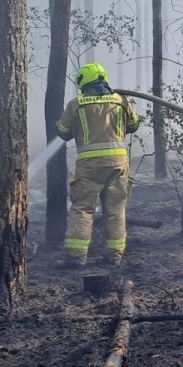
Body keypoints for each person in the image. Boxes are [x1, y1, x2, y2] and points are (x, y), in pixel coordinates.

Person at [55, 62, 141, 268]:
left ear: (83, 80)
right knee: (115, 210)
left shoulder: (76, 104)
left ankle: (76, 258)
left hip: (90, 167)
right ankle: (114, 257)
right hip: (118, 166)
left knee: (83, 209)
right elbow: (133, 125)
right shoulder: (121, 100)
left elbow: (63, 132)